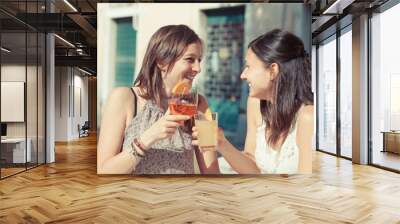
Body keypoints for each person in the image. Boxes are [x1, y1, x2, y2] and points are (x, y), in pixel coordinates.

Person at [97, 25, 219, 174]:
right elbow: (103, 171)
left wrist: (217, 140)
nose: (198, 68)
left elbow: (212, 172)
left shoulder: (199, 104)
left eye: (199, 60)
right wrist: (150, 136)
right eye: (190, 59)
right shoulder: (123, 98)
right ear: (162, 61)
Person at [193, 29, 314, 174]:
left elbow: (306, 188)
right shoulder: (255, 103)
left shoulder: (308, 117)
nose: (243, 75)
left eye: (248, 66)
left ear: (273, 71)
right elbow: (253, 169)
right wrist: (221, 143)